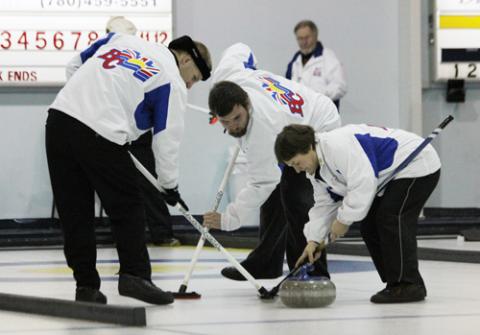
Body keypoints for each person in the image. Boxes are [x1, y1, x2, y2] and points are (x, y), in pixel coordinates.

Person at [46, 29, 211, 305]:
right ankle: (134, 275)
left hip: (59, 120)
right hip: (101, 133)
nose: (191, 85)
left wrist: (86, 104)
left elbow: (74, 64)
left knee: (75, 212)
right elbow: (166, 140)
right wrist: (169, 186)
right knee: (128, 205)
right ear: (185, 59)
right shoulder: (171, 80)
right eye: (194, 78)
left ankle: (86, 286)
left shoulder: (123, 40)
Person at [203, 43, 341, 281]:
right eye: (225, 122)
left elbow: (262, 183)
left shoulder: (261, 129)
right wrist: (252, 67)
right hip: (291, 118)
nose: (234, 126)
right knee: (276, 196)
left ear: (247, 105)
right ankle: (266, 263)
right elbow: (240, 49)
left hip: (319, 123)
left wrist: (228, 219)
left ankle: (311, 271)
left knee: (297, 197)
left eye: (237, 118)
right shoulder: (228, 76)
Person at [274, 124, 441, 303]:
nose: (298, 170)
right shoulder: (316, 172)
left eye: (297, 163)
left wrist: (344, 220)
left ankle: (409, 284)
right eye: (292, 166)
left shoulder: (337, 146)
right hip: (389, 177)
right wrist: (314, 240)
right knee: (369, 226)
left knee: (391, 218)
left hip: (416, 163)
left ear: (308, 147)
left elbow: (363, 182)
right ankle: (395, 282)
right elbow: (324, 205)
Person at [105, 16, 180, 246]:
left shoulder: (120, 56)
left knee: (147, 181)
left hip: (134, 128)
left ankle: (161, 233)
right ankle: (148, 234)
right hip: (115, 130)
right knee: (127, 184)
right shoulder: (118, 56)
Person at [286, 20, 347, 110]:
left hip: (323, 115)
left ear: (315, 36)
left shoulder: (328, 57)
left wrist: (315, 97)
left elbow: (340, 87)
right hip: (299, 115)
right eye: (300, 38)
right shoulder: (294, 61)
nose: (304, 42)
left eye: (307, 38)